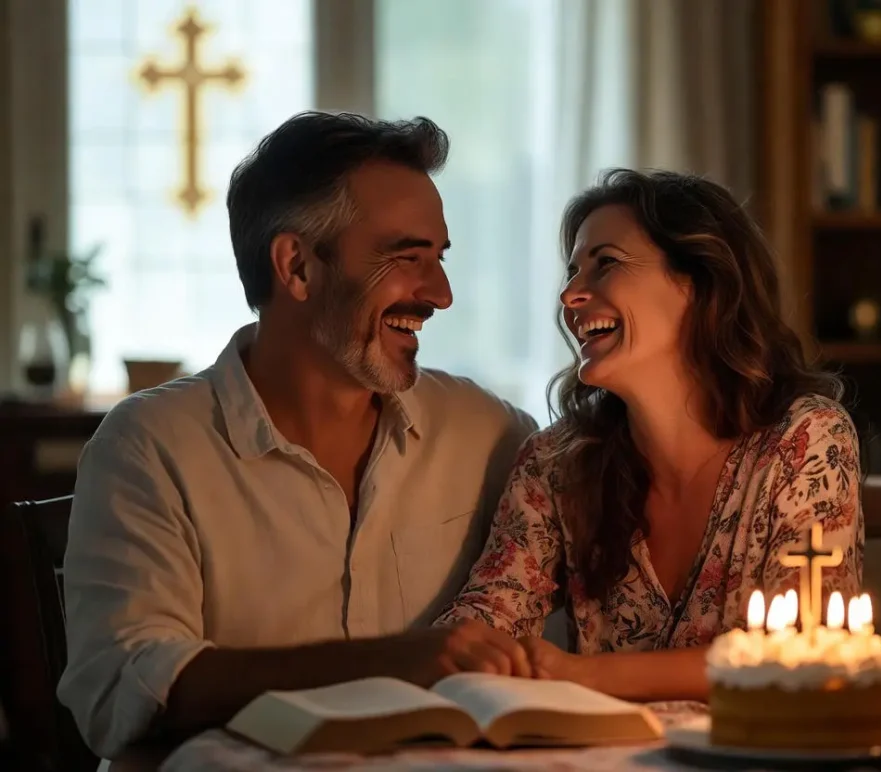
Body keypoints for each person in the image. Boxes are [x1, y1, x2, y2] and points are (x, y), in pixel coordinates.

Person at [57, 112, 538, 760]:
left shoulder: (490, 434)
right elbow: (127, 686)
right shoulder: (148, 448)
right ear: (297, 266)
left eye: (439, 259)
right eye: (406, 257)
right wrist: (398, 662)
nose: (440, 294)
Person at [435, 169, 864, 702]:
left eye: (606, 263)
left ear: (698, 283)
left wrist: (580, 674)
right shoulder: (557, 462)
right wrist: (475, 649)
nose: (570, 294)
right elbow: (484, 619)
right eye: (572, 272)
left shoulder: (805, 440)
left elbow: (805, 653)